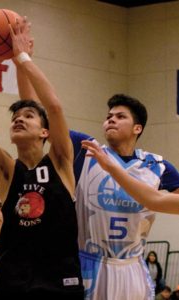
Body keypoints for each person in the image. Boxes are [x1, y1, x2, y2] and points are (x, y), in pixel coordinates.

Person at [0, 17, 84, 300]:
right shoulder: (6, 170)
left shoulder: (61, 159)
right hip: (12, 285)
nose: (19, 119)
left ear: (45, 131)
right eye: (15, 117)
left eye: (28, 116)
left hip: (59, 285)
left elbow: (53, 105)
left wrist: (23, 58)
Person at [70, 94, 179, 300]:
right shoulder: (86, 150)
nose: (111, 119)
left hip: (133, 266)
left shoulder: (157, 165)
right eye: (109, 116)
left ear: (137, 128)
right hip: (90, 263)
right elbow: (45, 118)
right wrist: (23, 62)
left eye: (120, 116)